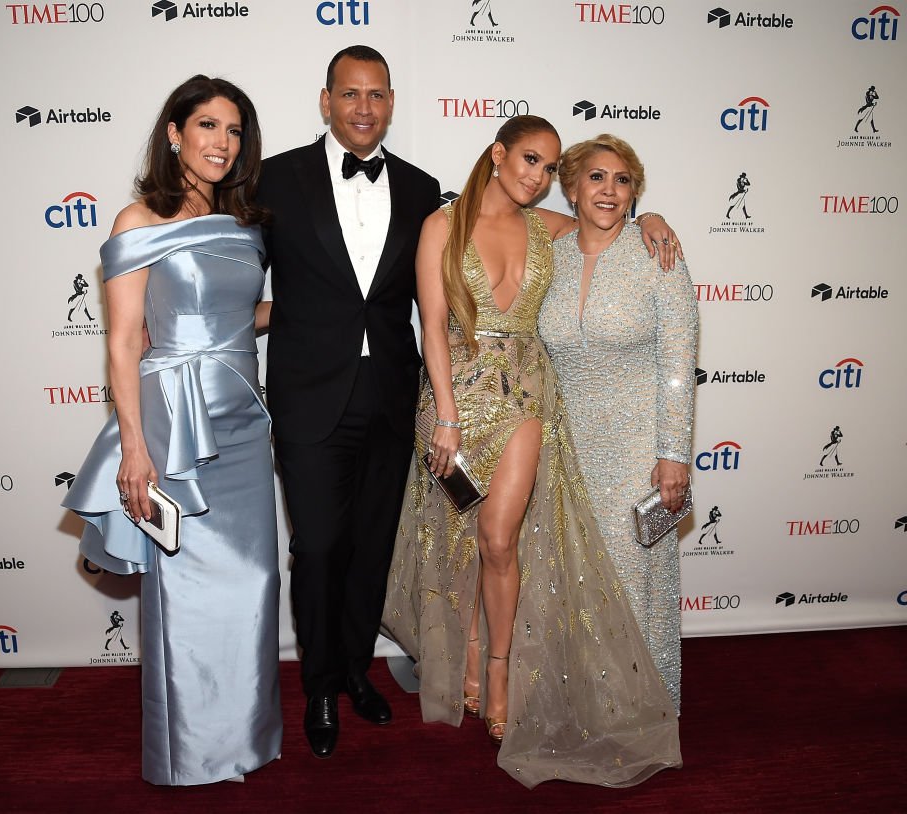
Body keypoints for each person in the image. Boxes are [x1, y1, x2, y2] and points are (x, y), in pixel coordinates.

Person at [382, 116, 682, 788]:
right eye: (529, 161)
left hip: (525, 392)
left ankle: (497, 673)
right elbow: (429, 325)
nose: (539, 177)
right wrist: (447, 418)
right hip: (453, 395)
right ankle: (463, 657)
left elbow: (605, 219)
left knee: (498, 536)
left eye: (549, 168)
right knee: (458, 533)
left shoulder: (547, 226)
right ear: (497, 153)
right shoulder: (443, 227)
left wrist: (652, 215)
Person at [62, 75, 281, 785]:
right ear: (175, 133)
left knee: (254, 582)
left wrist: (311, 309)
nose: (222, 142)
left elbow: (238, 314)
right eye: (208, 126)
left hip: (243, 419)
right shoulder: (138, 222)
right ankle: (190, 753)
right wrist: (133, 445)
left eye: (234, 130)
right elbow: (124, 340)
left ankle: (244, 740)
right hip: (174, 423)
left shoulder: (247, 223)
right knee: (183, 588)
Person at [256, 45, 441, 759]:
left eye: (378, 95)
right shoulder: (275, 179)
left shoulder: (424, 189)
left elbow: (501, 224)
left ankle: (358, 671)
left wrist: (636, 221)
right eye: (351, 94)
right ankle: (321, 688)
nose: (365, 108)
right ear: (326, 100)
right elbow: (224, 258)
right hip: (307, 395)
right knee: (320, 545)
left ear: (391, 102)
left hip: (392, 394)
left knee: (371, 549)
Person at [539, 133, 698, 713]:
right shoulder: (548, 256)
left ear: (634, 194)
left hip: (637, 449)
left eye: (623, 180)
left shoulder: (658, 255)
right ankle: (580, 706)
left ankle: (637, 713)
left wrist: (673, 451)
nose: (609, 190)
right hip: (563, 447)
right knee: (570, 580)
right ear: (572, 188)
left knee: (630, 581)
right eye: (597, 178)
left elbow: (679, 361)